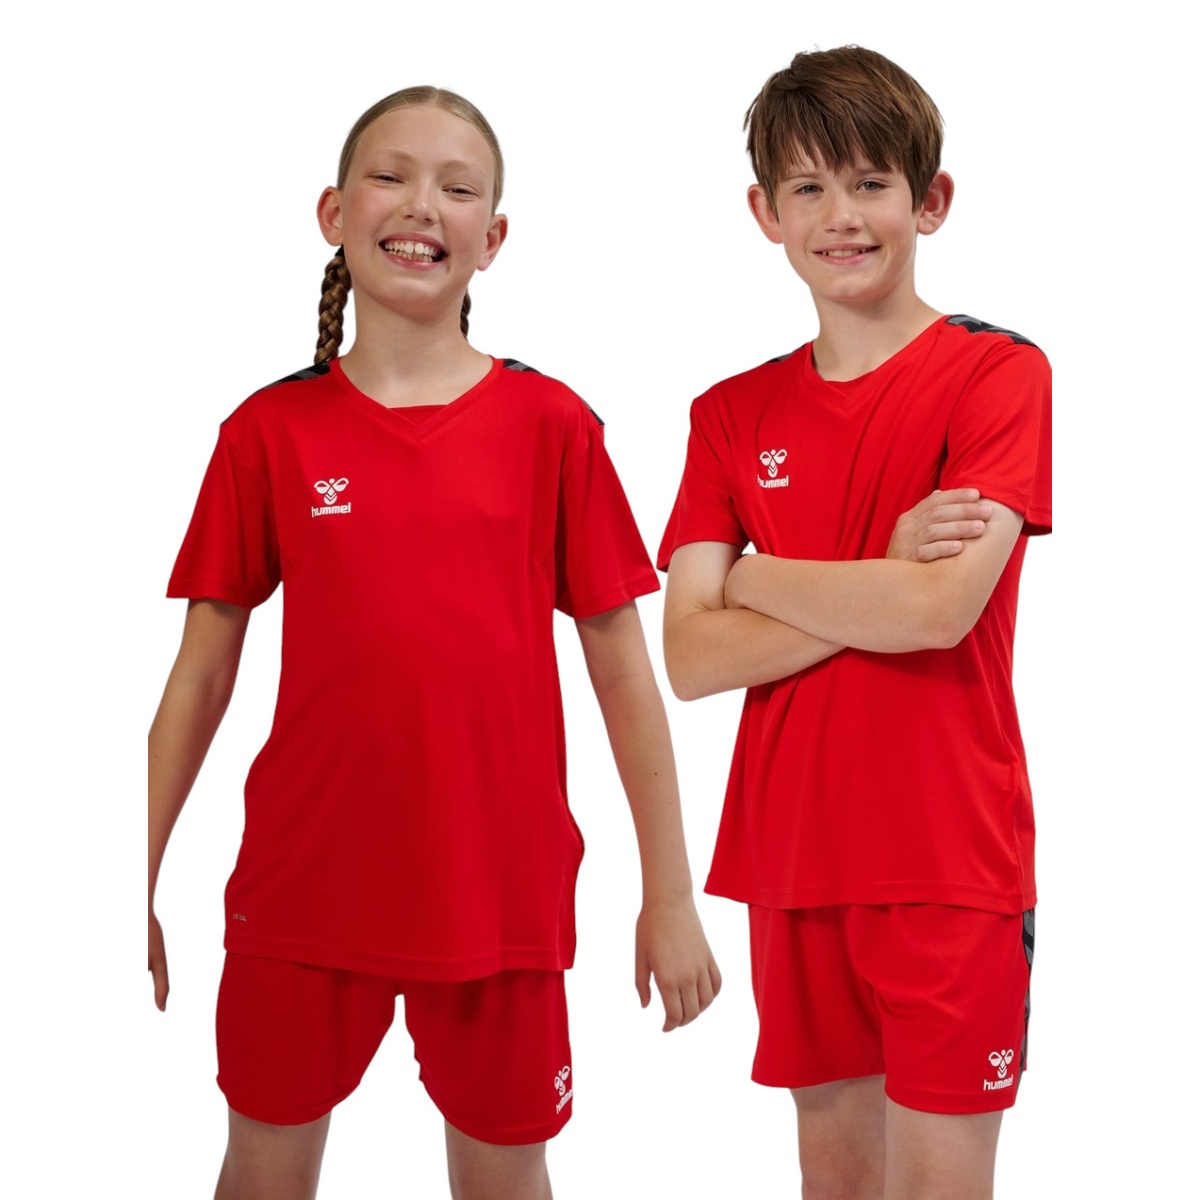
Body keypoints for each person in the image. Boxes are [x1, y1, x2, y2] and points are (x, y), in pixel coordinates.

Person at [147, 86, 723, 1200]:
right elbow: (199, 675)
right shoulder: (268, 431)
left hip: (497, 893)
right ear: (334, 212)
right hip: (302, 890)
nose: (422, 205)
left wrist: (670, 892)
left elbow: (625, 677)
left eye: (458, 189)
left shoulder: (553, 426)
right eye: (391, 175)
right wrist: (134, 874)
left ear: (492, 238)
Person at [658, 47, 1051, 1200]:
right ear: (766, 214)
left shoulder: (996, 374)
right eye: (810, 188)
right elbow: (688, 655)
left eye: (872, 183)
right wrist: (876, 569)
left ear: (930, 200)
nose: (842, 215)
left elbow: (937, 611)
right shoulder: (728, 415)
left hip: (950, 863)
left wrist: (756, 576)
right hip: (792, 863)